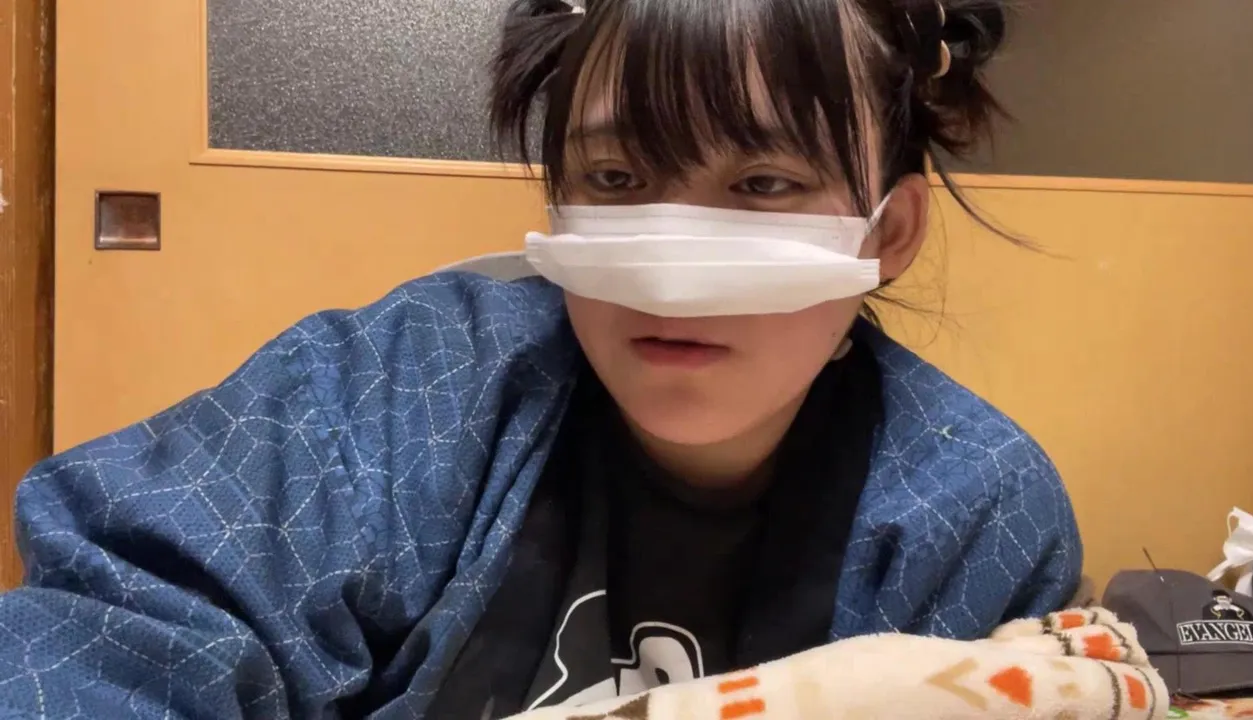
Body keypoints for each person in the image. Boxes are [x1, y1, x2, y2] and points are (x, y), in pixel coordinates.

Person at [0, 0, 1081, 717]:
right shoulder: (400, 385)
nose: (667, 269)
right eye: (614, 180)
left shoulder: (971, 507)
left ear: (889, 233)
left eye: (762, 186)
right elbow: (124, 628)